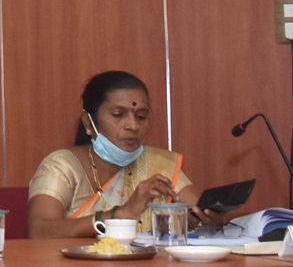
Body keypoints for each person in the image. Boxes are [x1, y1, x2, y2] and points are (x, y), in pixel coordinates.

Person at [26, 70, 216, 238]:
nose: (133, 126)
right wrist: (118, 215)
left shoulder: (158, 164)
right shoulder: (61, 165)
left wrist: (203, 220)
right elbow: (39, 230)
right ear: (88, 122)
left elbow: (204, 211)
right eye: (118, 115)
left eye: (141, 116)